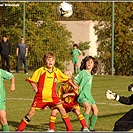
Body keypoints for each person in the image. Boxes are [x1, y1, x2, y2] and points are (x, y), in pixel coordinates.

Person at [16, 52, 79, 132]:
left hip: (53, 97)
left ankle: (69, 130)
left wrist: (73, 86)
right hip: (40, 97)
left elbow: (66, 79)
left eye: (52, 60)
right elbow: (31, 79)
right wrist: (34, 86)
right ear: (44, 61)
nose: (50, 62)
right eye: (48, 60)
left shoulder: (56, 71)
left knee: (62, 110)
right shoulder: (40, 71)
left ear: (54, 62)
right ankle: (19, 130)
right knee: (31, 113)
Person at [73, 55, 99, 131]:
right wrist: (76, 87)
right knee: (88, 108)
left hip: (89, 95)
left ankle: (91, 128)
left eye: (91, 62)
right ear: (85, 63)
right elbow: (74, 80)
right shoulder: (82, 72)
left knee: (96, 111)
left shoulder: (91, 74)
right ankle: (84, 127)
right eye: (88, 62)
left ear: (94, 65)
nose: (89, 63)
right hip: (82, 95)